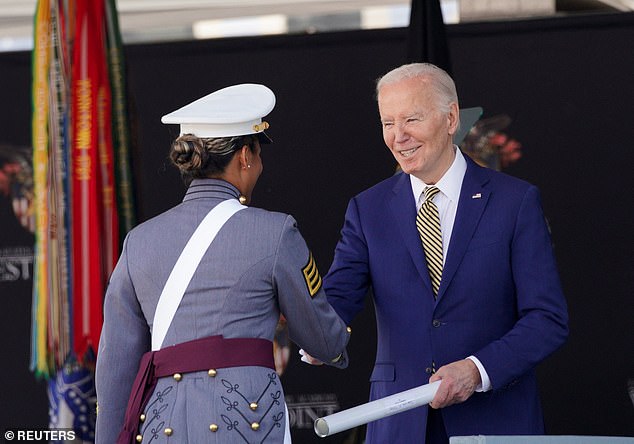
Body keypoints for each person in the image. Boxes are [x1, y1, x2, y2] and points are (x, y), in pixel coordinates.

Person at [310, 63, 569, 443]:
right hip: (400, 426)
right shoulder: (368, 209)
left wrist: (477, 369)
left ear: (450, 119)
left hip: (492, 422)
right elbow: (336, 300)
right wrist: (308, 328)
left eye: (411, 119)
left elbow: (547, 319)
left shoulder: (514, 202)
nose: (398, 137)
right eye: (387, 123)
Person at [95, 83, 350, 444]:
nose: (260, 165)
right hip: (244, 424)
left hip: (159, 427)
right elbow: (322, 338)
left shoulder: (139, 241)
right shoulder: (275, 231)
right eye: (259, 154)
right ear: (245, 155)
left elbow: (115, 367)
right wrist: (336, 346)